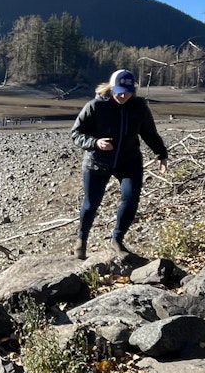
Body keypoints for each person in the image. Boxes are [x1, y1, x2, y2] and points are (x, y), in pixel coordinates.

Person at [69, 69, 168, 260]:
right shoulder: (95, 106)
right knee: (91, 204)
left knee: (131, 199)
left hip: (128, 161)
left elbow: (149, 133)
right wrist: (95, 143)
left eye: (128, 91)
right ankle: (81, 240)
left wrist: (161, 154)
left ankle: (117, 239)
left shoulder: (139, 107)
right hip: (97, 163)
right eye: (119, 90)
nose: (123, 95)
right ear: (111, 88)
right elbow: (76, 134)